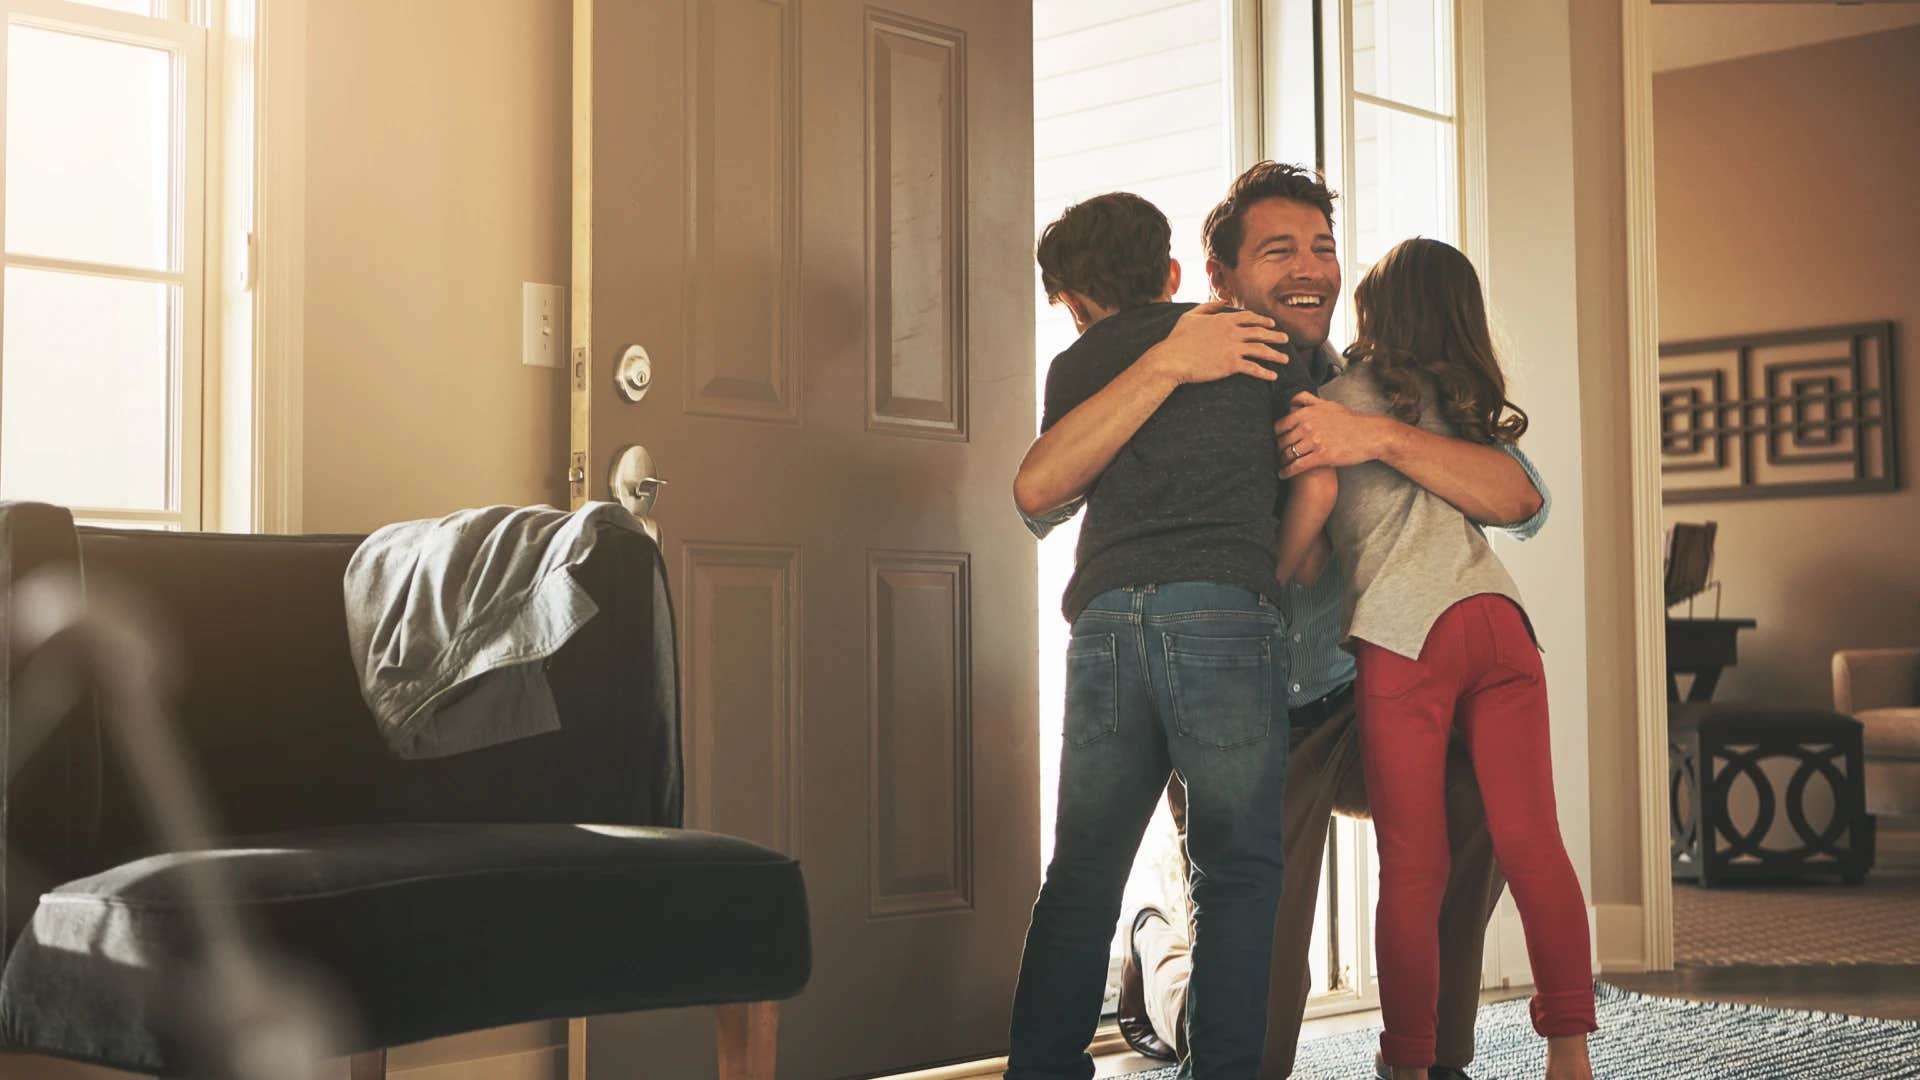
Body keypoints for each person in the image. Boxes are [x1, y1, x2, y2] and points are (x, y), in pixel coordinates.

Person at [1016, 162, 1552, 1080]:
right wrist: (1172, 366)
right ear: (1215, 279)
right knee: (1251, 1015)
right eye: (1279, 250)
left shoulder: (1380, 386)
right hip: (1252, 708)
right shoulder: (1191, 361)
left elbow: (1523, 500)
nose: (1310, 268)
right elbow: (1039, 497)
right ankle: (1161, 956)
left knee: (1479, 793)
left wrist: (1374, 436)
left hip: (1354, 705)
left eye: (1322, 247)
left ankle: (1432, 1061)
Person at [1006, 190, 1331, 1080]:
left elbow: (1049, 490)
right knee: (1237, 873)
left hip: (1108, 620)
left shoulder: (1077, 371)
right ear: (1177, 273)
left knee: (1083, 876)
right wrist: (1271, 575)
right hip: (1227, 616)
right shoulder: (1259, 344)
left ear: (1072, 303)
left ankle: (1040, 1069)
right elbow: (1320, 486)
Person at [1321, 237, 1596, 1080]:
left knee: (1413, 862)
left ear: (1375, 313)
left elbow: (1527, 502)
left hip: (1409, 635)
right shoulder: (1462, 407)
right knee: (1534, 843)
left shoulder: (1337, 400)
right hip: (1500, 622)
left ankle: (1407, 1063)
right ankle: (1571, 1056)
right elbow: (1522, 502)